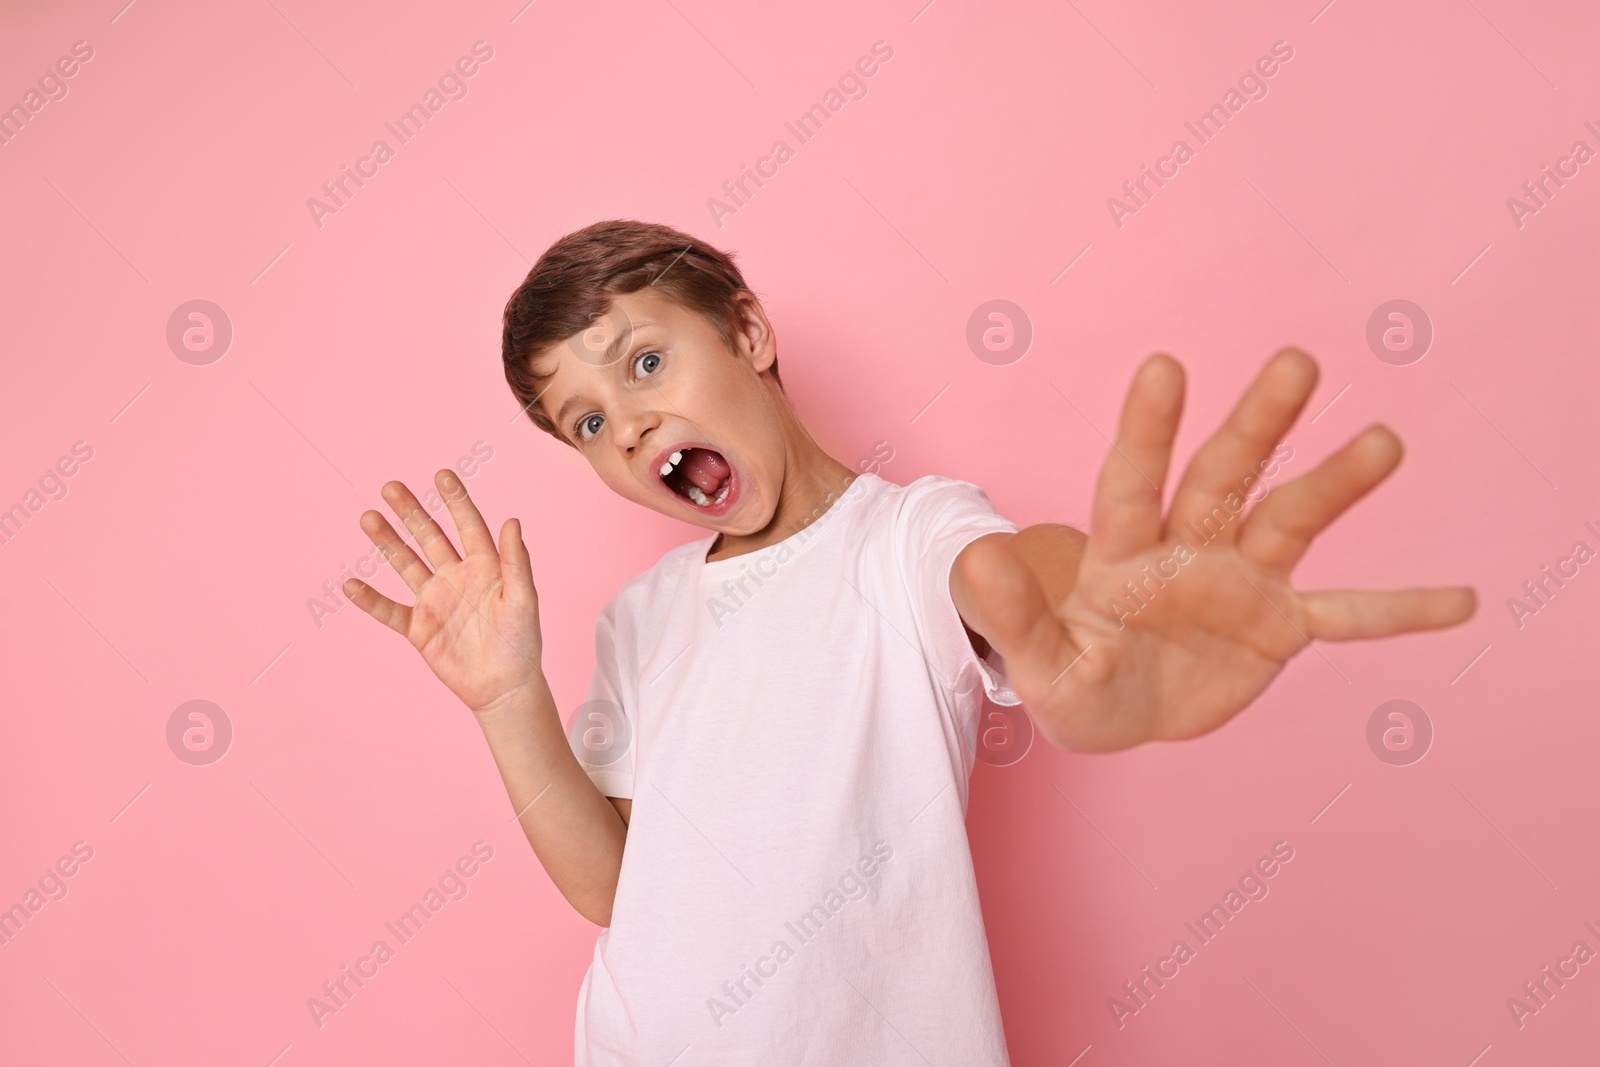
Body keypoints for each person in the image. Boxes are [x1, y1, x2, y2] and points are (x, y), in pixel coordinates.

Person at [341, 219, 1475, 1065]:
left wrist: (1105, 609)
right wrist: (505, 700)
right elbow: (612, 884)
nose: (629, 422)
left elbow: (1008, 574)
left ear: (746, 329)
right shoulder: (640, 618)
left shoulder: (901, 536)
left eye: (644, 362)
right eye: (588, 422)